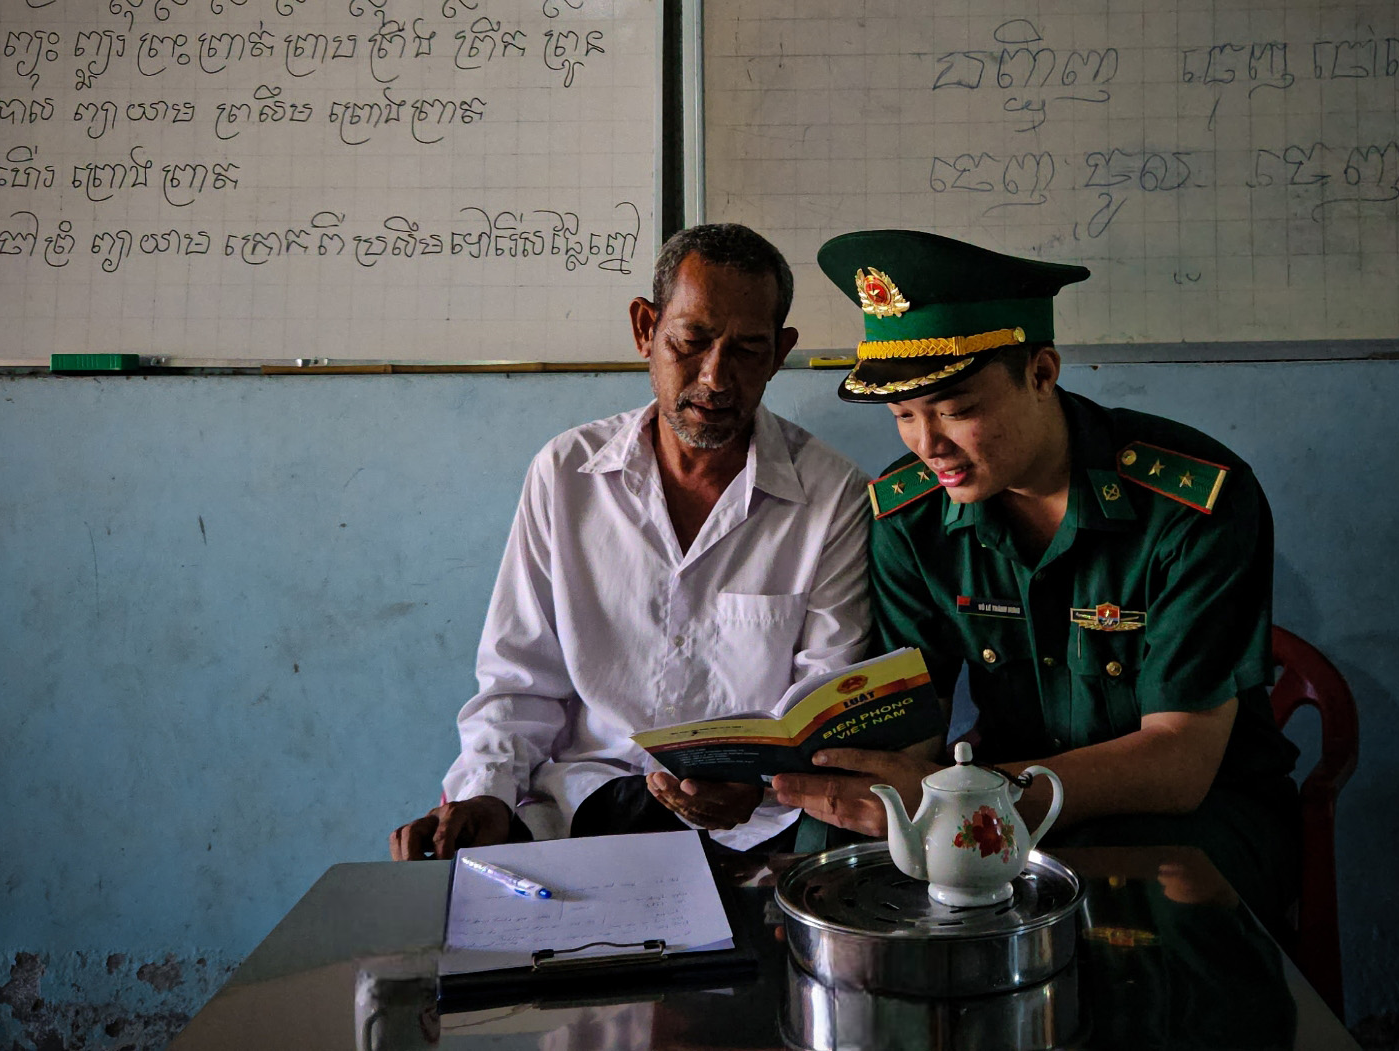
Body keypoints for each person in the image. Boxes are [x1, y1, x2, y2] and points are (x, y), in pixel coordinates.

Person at [771, 230, 1299, 929]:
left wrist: (959, 799)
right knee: (837, 877)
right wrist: (873, 788)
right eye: (904, 415)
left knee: (1133, 911)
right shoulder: (910, 517)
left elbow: (1179, 761)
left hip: (1194, 819)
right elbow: (917, 722)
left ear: (1042, 372)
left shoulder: (1193, 505)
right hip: (995, 812)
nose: (929, 446)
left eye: (957, 409)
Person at [391, 224, 871, 860]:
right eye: (690, 341)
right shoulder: (566, 475)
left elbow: (825, 699)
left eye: (749, 349)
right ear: (645, 329)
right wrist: (485, 794)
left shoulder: (832, 495)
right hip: (587, 811)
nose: (716, 377)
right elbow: (519, 681)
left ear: (780, 352)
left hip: (757, 828)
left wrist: (754, 787)